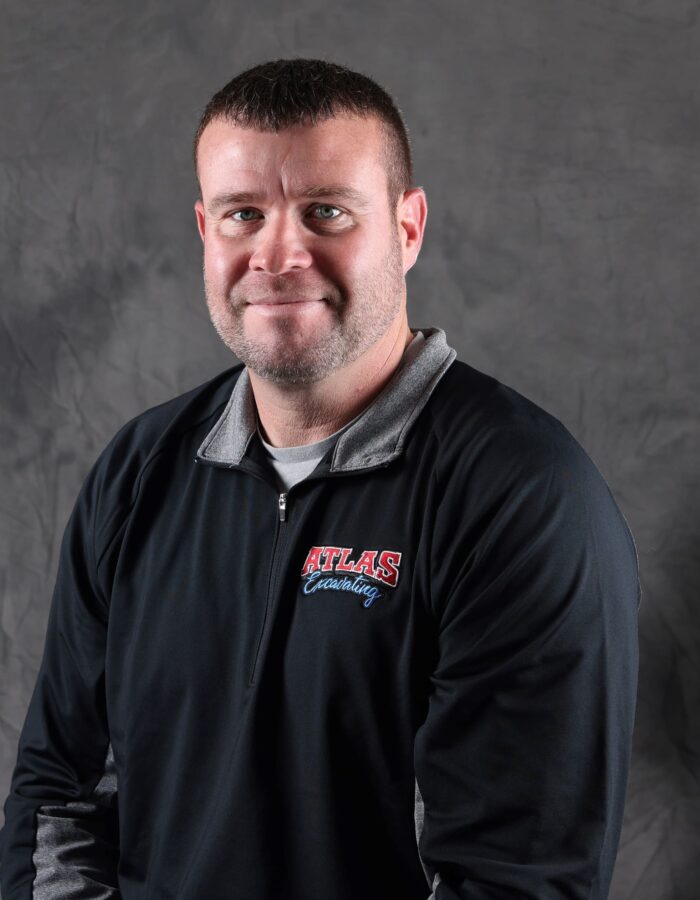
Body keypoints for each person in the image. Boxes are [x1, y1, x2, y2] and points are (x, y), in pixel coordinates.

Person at [0, 57, 640, 900]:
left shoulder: (522, 498)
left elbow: (517, 877)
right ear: (205, 230)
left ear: (408, 229)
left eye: (326, 211)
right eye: (243, 214)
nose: (278, 254)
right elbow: (59, 796)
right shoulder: (139, 471)